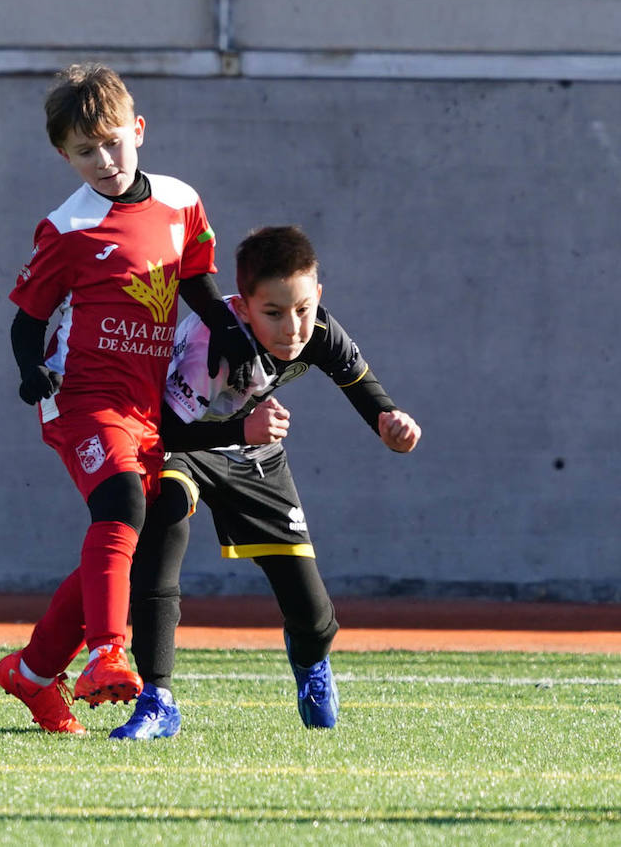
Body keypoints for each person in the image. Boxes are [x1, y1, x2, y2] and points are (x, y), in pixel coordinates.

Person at [0, 63, 255, 735]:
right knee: (122, 503)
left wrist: (231, 332)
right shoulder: (68, 228)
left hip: (148, 402)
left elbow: (195, 280)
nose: (104, 159)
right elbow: (28, 320)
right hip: (82, 397)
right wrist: (32, 373)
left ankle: (31, 671)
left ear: (137, 130)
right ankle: (110, 651)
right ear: (64, 155)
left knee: (129, 535)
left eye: (112, 141)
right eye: (86, 150)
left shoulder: (180, 201)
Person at [110, 225, 422, 740]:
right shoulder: (213, 344)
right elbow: (167, 429)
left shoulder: (316, 328)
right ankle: (158, 697)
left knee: (314, 613)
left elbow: (360, 384)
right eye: (272, 313)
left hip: (254, 452)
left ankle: (312, 664)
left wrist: (390, 422)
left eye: (301, 308)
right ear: (243, 305)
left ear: (316, 295)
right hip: (183, 444)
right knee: (166, 514)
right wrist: (241, 428)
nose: (291, 327)